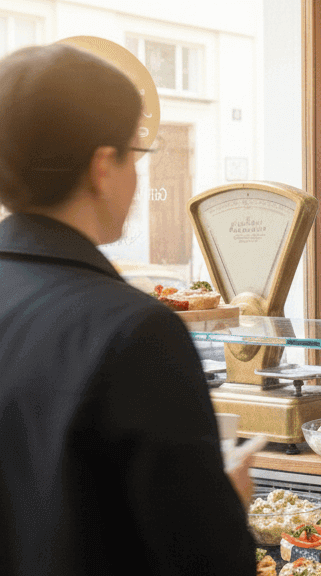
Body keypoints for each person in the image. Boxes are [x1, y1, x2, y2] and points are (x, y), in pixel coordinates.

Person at [0, 44, 256, 575]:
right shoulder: (137, 331)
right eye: (135, 155)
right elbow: (206, 562)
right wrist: (227, 501)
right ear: (102, 167)